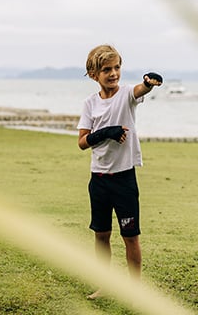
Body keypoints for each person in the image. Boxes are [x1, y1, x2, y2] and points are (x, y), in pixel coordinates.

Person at [77, 44, 162, 299]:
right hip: (99, 180)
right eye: (107, 70)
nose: (113, 73)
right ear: (94, 74)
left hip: (124, 179)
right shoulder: (90, 104)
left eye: (116, 68)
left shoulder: (126, 95)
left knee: (130, 236)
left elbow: (139, 90)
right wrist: (105, 133)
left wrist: (148, 83)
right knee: (101, 236)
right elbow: (82, 142)